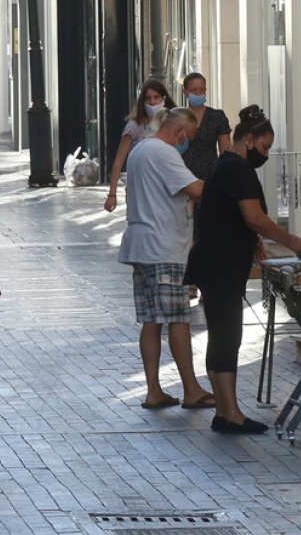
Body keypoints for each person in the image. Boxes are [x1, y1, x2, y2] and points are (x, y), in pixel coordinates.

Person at [186, 106, 301, 435]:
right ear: (248, 139)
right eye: (265, 147)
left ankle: (225, 411)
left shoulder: (224, 165)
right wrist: (293, 241)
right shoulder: (236, 169)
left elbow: (232, 215)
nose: (266, 154)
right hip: (221, 264)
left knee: (222, 335)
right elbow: (254, 216)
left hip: (215, 262)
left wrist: (252, 237)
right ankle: (231, 413)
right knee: (228, 336)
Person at [118, 107, 216, 411]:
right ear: (179, 131)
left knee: (151, 320)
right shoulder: (164, 153)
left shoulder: (140, 150)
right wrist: (228, 188)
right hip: (164, 247)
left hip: (142, 245)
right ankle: (191, 389)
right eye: (190, 136)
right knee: (177, 318)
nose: (189, 142)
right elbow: (195, 189)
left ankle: (154, 391)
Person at [178, 71, 231, 300]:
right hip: (183, 178)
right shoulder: (178, 117)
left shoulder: (217, 117)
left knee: (206, 231)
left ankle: (205, 279)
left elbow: (225, 151)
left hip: (210, 179)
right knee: (186, 231)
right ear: (185, 92)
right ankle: (190, 279)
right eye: (194, 90)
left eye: (202, 90)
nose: (199, 94)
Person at [104, 78, 178, 213]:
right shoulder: (134, 126)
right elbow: (119, 161)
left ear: (164, 98)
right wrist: (112, 194)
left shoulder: (171, 123)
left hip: (166, 186)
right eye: (148, 98)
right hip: (139, 187)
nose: (152, 102)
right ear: (142, 101)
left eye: (156, 97)